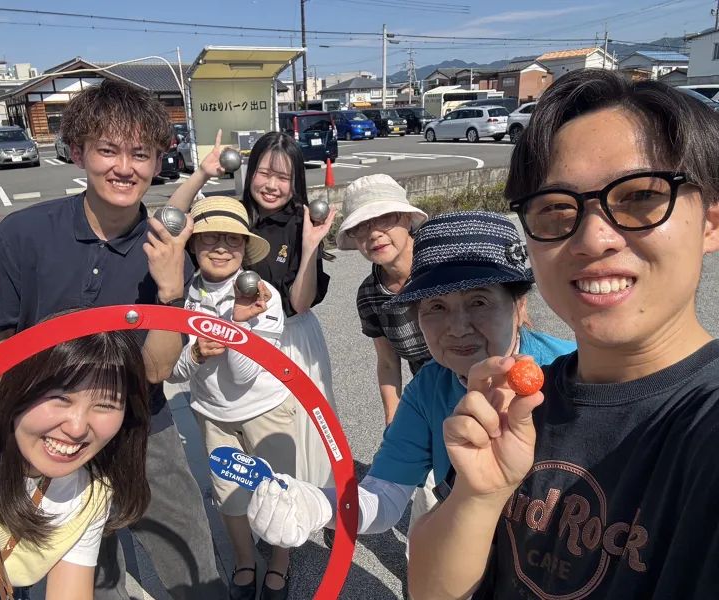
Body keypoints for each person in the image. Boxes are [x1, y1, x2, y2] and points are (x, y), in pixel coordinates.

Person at [407, 70, 719, 599]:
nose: (593, 238)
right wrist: (480, 495)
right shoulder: (520, 405)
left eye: (640, 196)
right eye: (555, 207)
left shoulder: (703, 425)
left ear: (710, 222)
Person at [0, 80, 226, 598]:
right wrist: (21, 435)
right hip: (51, 424)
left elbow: (156, 371)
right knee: (90, 573)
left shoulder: (166, 249)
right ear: (78, 151)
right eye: (108, 150)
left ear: (157, 162)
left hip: (141, 424)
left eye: (140, 154)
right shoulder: (22, 234)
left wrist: (171, 293)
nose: (124, 168)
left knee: (190, 553)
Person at [245, 212, 575, 554]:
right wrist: (316, 505)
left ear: (519, 306)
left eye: (479, 301)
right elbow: (384, 496)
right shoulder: (428, 390)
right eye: (436, 306)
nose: (457, 327)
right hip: (471, 562)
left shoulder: (573, 369)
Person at [0, 332, 149, 600]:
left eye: (106, 405)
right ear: (19, 387)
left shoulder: (90, 493)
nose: (76, 428)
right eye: (61, 398)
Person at [169, 131, 338, 490]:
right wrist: (202, 173)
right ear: (249, 172)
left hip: (289, 339)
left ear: (296, 182)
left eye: (283, 177)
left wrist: (310, 247)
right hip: (231, 333)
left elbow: (300, 303)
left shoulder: (302, 222)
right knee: (237, 440)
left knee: (293, 434)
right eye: (264, 173)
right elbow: (170, 221)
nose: (272, 185)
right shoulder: (235, 215)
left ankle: (301, 502)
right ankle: (247, 504)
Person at [168, 196, 297, 600]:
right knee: (229, 495)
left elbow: (244, 376)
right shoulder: (182, 295)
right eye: (210, 238)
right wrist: (195, 353)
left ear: (245, 247)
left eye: (233, 240)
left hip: (265, 409)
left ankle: (280, 562)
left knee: (278, 491)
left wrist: (237, 325)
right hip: (212, 414)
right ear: (193, 244)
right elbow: (171, 372)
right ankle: (244, 561)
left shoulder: (263, 296)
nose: (222, 248)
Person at [336, 174, 431, 426]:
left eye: (385, 218)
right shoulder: (370, 295)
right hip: (432, 397)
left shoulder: (442, 262)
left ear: (408, 218)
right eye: (361, 226)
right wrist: (392, 419)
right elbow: (388, 363)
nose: (374, 233)